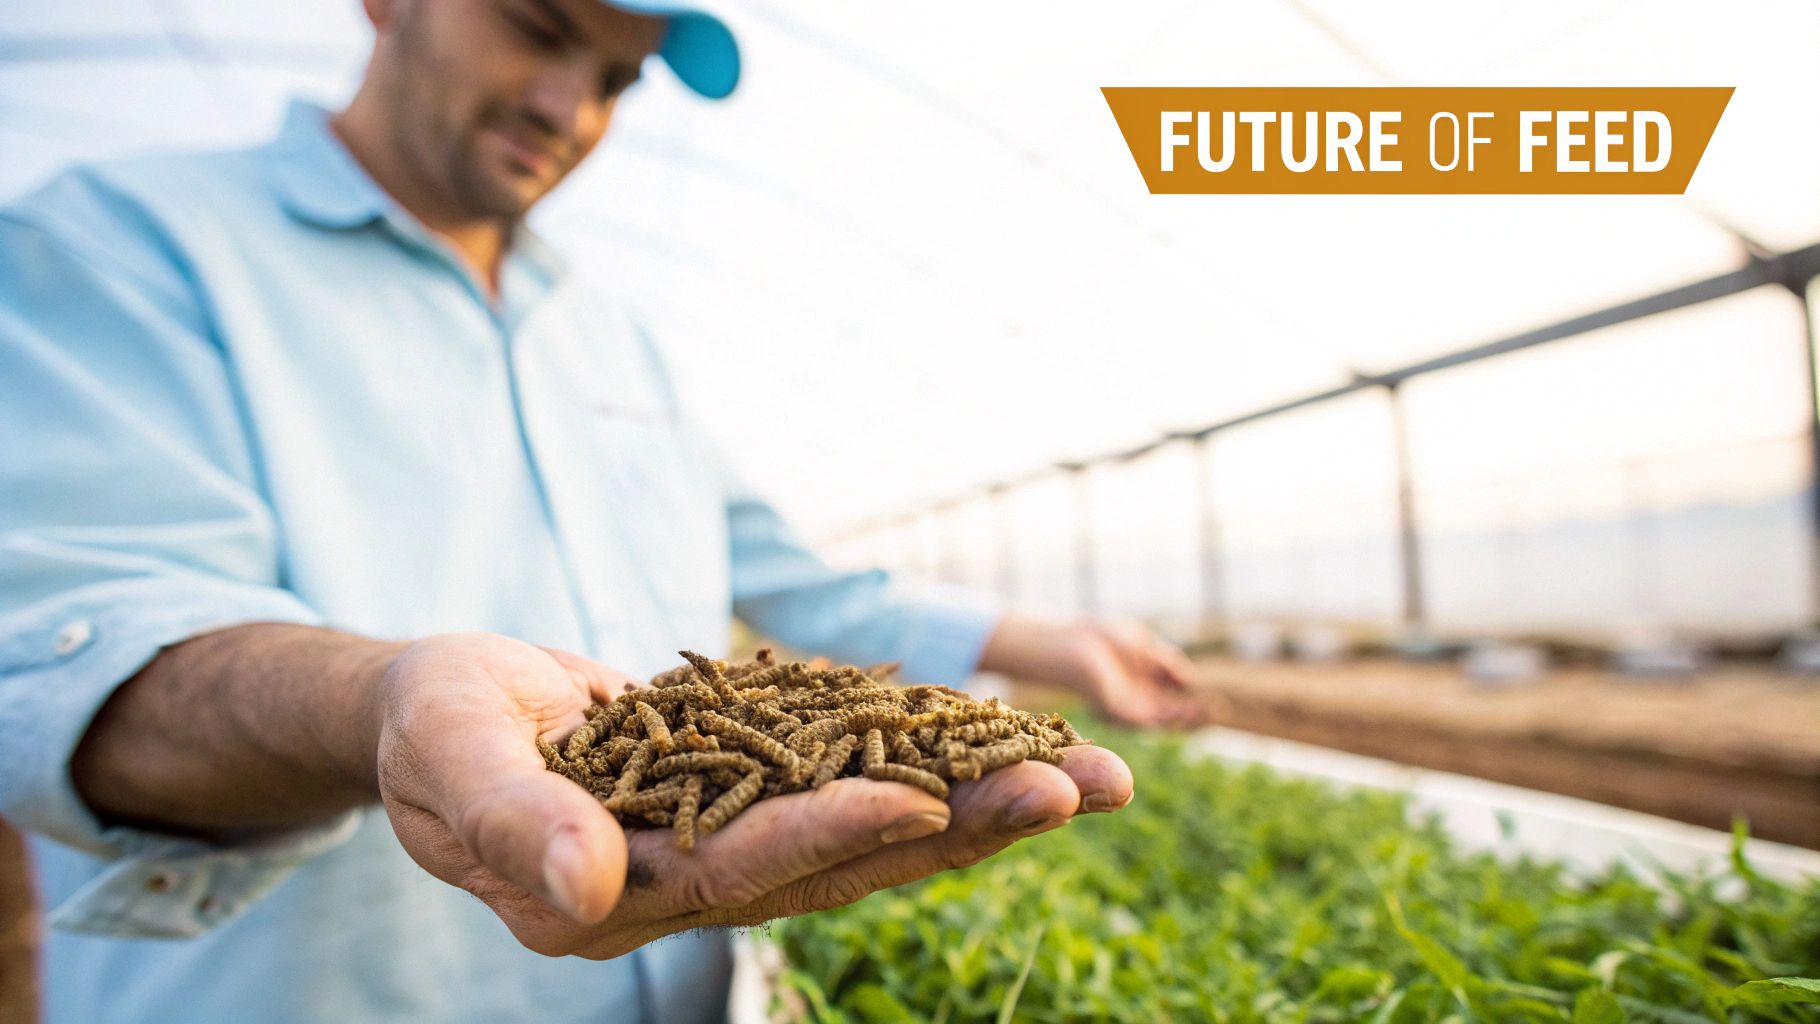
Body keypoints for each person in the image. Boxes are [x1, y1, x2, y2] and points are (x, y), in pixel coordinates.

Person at [0, 0, 1213, 1020]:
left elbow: (798, 578)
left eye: (617, 79)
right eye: (536, 27)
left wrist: (1060, 647)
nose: (567, 109)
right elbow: (72, 646)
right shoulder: (114, 244)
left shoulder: (609, 334)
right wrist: (383, 702)